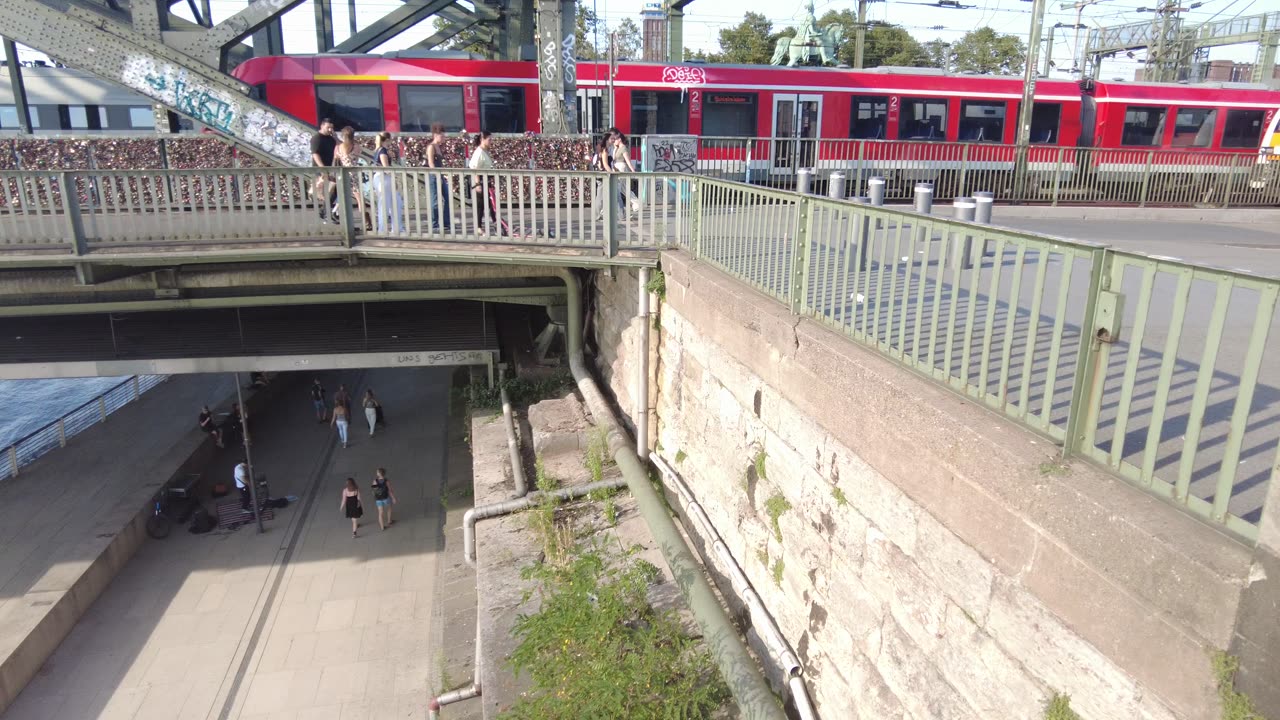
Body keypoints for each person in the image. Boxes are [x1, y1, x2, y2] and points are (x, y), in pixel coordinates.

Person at [467, 132, 510, 236]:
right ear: (483, 139)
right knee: (482, 205)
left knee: (492, 205)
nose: (491, 142)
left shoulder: (485, 151)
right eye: (489, 140)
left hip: (486, 179)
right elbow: (475, 168)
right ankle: (481, 228)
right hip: (480, 180)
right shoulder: (479, 152)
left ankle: (496, 226)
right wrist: (477, 184)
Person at [371, 131, 404, 234]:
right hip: (384, 179)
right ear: (387, 140)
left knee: (388, 203)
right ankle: (390, 229)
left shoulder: (378, 150)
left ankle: (386, 228)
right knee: (391, 204)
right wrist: (394, 178)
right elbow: (386, 167)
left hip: (379, 178)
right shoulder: (383, 151)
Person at [333, 126, 366, 228]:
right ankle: (365, 218)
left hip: (343, 174)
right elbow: (358, 155)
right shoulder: (356, 146)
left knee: (343, 195)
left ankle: (334, 211)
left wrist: (336, 139)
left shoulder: (338, 147)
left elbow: (336, 158)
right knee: (359, 198)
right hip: (354, 175)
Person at [425, 123, 452, 231]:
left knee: (447, 198)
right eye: (442, 135)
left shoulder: (438, 147)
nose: (444, 137)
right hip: (433, 176)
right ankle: (434, 224)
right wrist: (437, 176)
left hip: (440, 175)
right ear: (436, 135)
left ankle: (446, 222)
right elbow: (431, 163)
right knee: (435, 200)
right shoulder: (431, 147)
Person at [311, 118, 337, 222]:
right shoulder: (317, 138)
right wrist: (322, 168)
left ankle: (325, 211)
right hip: (321, 168)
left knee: (334, 191)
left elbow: (340, 146)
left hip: (330, 168)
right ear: (322, 126)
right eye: (328, 127)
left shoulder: (331, 138)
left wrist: (335, 137)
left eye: (331, 127)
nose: (330, 129)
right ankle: (325, 211)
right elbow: (315, 154)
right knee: (323, 190)